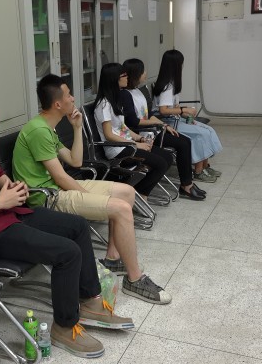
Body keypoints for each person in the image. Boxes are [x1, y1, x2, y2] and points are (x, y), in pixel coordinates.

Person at [0, 83, 135, 359]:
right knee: (67, 252)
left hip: (9, 215)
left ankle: (90, 301)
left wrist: (12, 187)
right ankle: (64, 327)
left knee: (77, 226)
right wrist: (1, 202)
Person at [12, 74, 172, 305]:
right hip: (47, 197)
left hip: (59, 187)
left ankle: (113, 258)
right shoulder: (38, 130)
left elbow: (75, 162)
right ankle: (135, 279)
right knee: (120, 209)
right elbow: (60, 177)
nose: (73, 98)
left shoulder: (47, 127)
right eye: (68, 95)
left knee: (126, 192)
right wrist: (88, 196)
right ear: (57, 104)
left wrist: (77, 128)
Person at [121, 58, 206, 201]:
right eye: (143, 71)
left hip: (151, 129)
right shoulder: (125, 94)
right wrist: (158, 124)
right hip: (142, 132)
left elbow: (148, 115)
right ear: (136, 73)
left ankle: (187, 183)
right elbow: (132, 121)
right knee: (182, 144)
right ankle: (186, 185)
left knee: (185, 141)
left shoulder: (137, 91)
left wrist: (164, 125)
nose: (145, 73)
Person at [94, 63, 174, 200]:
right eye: (124, 75)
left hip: (127, 145)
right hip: (118, 151)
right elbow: (109, 135)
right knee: (160, 163)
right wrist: (135, 144)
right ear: (115, 79)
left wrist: (140, 138)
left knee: (167, 157)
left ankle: (139, 193)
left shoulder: (115, 100)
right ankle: (138, 195)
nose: (127, 77)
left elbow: (122, 127)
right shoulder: (104, 104)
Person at [152, 49, 223, 183]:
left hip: (174, 120)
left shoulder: (171, 83)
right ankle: (198, 172)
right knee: (201, 134)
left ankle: (205, 167)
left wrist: (186, 115)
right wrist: (183, 109)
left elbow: (173, 108)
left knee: (208, 130)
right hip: (166, 123)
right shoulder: (167, 87)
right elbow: (163, 110)